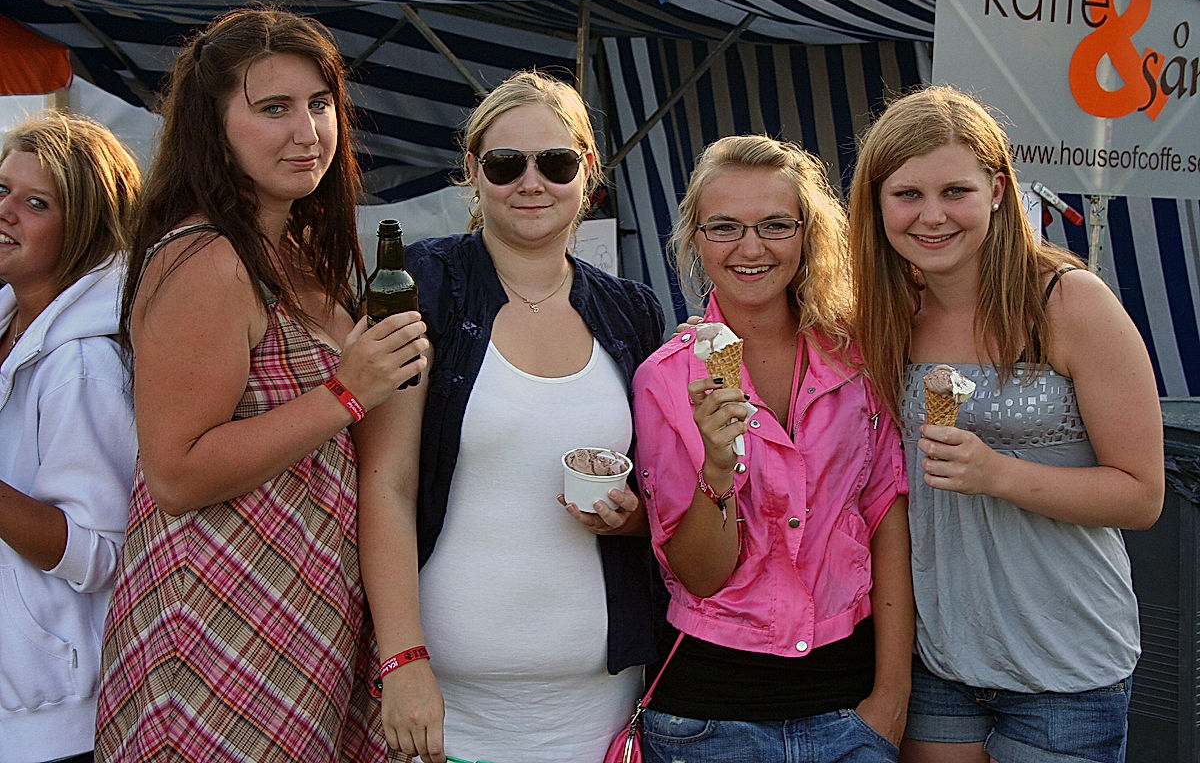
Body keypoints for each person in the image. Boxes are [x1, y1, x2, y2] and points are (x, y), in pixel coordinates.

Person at [93, 7, 427, 762]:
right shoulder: (204, 258)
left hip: (298, 629)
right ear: (213, 129)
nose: (307, 132)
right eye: (273, 108)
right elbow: (175, 473)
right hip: (211, 638)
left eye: (319, 104)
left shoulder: (298, 253)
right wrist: (344, 393)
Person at [847, 85, 1163, 763]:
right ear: (877, 203)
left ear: (996, 190)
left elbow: (1142, 496)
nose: (932, 216)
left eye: (954, 191)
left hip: (1067, 666)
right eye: (907, 194)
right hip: (940, 659)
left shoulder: (1069, 303)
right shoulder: (884, 317)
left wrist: (996, 473)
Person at [360, 69, 666, 763]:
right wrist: (401, 658)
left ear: (587, 170)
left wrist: (632, 516)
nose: (532, 183)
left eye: (555, 163)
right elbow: (385, 483)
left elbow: (663, 493)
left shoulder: (632, 311)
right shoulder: (422, 285)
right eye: (505, 164)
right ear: (473, 171)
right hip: (448, 708)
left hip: (603, 706)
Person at [630, 134, 913, 762]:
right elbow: (702, 576)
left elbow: (886, 518)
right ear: (696, 239)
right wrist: (717, 468)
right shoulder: (665, 379)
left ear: (808, 234)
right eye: (725, 227)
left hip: (850, 705)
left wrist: (892, 696)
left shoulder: (859, 358)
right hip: (709, 719)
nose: (751, 248)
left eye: (775, 225)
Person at [0, 113, 139, 763]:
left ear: (84, 227)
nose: (5, 211)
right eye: (2, 189)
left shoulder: (84, 366)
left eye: (37, 203)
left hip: (55, 726)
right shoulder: (10, 325)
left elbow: (101, 556)